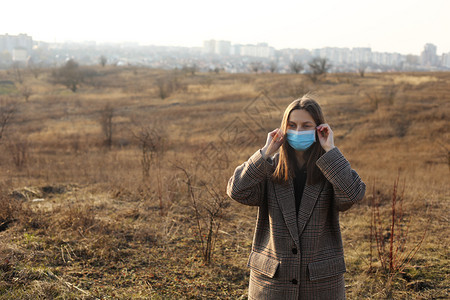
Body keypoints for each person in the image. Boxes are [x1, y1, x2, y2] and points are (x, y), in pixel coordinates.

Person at [226, 95, 366, 300]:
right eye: (292, 125)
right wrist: (266, 152)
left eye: (306, 125)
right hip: (272, 284)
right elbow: (236, 190)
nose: (298, 131)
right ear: (284, 129)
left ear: (319, 129)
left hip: (320, 285)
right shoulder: (269, 169)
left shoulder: (330, 170)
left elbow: (354, 193)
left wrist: (330, 150)